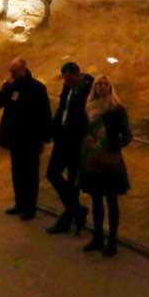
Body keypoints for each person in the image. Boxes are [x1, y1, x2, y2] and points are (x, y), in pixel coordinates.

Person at [0, 58, 52, 220]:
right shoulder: (12, 87)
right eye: (10, 71)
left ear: (24, 69)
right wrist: (6, 86)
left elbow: (44, 113)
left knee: (30, 175)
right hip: (14, 137)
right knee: (17, 172)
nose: (12, 74)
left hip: (31, 139)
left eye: (14, 71)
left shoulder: (38, 88)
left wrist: (44, 137)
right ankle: (20, 204)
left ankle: (30, 208)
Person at [79, 76, 131, 257]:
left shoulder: (117, 109)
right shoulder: (90, 108)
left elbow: (127, 136)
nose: (102, 87)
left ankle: (112, 241)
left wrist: (113, 146)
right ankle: (98, 237)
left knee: (111, 200)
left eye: (105, 84)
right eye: (99, 84)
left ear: (110, 87)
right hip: (93, 159)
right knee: (96, 200)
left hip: (110, 160)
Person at [45, 61, 93, 234]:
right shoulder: (68, 87)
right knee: (52, 173)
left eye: (69, 79)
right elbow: (62, 109)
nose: (67, 82)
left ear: (77, 75)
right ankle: (77, 210)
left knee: (73, 182)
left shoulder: (88, 90)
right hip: (62, 140)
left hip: (76, 143)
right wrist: (54, 130)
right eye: (65, 80)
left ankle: (69, 217)